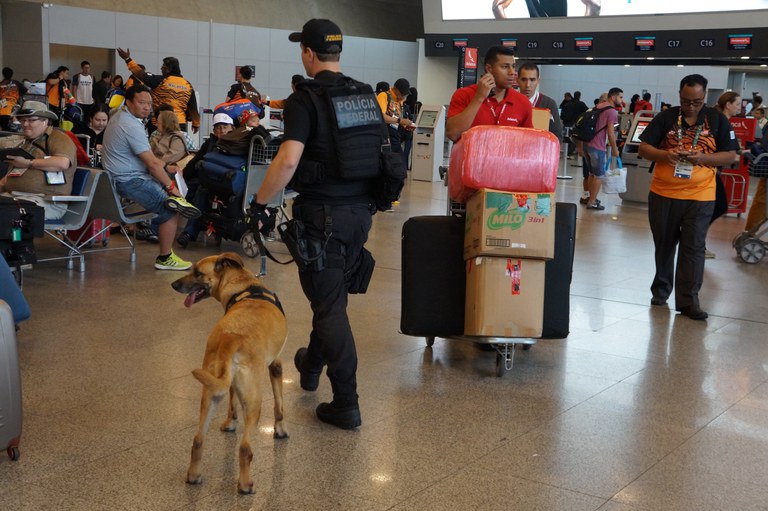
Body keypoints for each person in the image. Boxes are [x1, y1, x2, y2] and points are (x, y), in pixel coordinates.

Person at [249, 18, 381, 430]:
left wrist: (260, 204)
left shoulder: (304, 99)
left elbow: (288, 160)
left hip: (321, 218)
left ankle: (346, 401)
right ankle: (309, 364)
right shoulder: (364, 95)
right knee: (330, 299)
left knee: (329, 308)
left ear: (308, 53)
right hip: (360, 215)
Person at [638, 74, 738, 320]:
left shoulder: (717, 120)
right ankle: (661, 291)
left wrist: (703, 158)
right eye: (686, 101)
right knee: (664, 245)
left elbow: (730, 155)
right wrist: (665, 155)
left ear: (705, 97)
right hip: (664, 193)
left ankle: (688, 302)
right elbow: (643, 148)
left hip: (701, 195)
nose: (691, 106)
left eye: (696, 101)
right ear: (680, 95)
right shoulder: (667, 117)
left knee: (693, 248)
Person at [101, 84, 201, 271]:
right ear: (129, 102)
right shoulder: (130, 125)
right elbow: (152, 165)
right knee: (171, 208)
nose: (147, 107)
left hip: (119, 177)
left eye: (149, 103)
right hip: (130, 181)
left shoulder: (118, 117)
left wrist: (165, 166)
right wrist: (173, 190)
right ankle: (165, 257)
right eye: (142, 103)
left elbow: (152, 160)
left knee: (169, 186)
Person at [0, 101, 76, 220]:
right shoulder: (25, 142)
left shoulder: (58, 138)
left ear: (45, 121)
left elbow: (62, 163)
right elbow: (9, 177)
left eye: (31, 120)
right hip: (14, 197)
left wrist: (28, 163)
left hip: (46, 201)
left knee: (5, 214)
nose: (25, 124)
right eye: (23, 120)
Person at [446, 45, 533, 142]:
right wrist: (479, 98)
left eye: (513, 66)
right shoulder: (464, 94)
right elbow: (453, 134)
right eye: (505, 67)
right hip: (471, 156)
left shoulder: (523, 102)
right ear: (489, 69)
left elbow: (528, 143)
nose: (512, 72)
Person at [176, 113, 234, 248]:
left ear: (232, 128)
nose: (222, 131)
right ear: (214, 131)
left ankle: (189, 232)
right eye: (218, 128)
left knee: (201, 192)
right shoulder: (210, 143)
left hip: (226, 182)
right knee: (180, 192)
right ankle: (157, 228)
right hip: (207, 178)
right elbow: (195, 162)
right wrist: (181, 179)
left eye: (225, 127)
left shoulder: (238, 143)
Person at [117, 49, 201, 133]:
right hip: (180, 124)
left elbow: (141, 74)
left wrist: (128, 59)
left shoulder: (160, 81)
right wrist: (196, 124)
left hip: (160, 123)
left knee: (157, 145)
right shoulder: (187, 85)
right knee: (177, 145)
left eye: (163, 67)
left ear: (168, 69)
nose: (161, 68)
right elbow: (193, 107)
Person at [705, 91, 742, 259]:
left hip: (712, 170)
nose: (739, 108)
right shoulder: (719, 121)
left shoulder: (721, 120)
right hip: (709, 170)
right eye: (737, 104)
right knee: (719, 205)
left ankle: (698, 241)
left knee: (715, 206)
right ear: (728, 105)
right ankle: (696, 241)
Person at [577, 87, 622, 211]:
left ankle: (591, 198)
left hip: (587, 143)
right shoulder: (612, 111)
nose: (622, 100)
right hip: (598, 146)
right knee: (599, 176)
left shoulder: (598, 106)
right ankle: (592, 201)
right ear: (613, 97)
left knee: (592, 174)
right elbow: (611, 133)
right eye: (620, 97)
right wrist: (615, 148)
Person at [516, 62, 562, 142]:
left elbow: (557, 136)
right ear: (517, 80)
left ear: (538, 81)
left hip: (540, 151)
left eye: (532, 80)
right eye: (524, 79)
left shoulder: (549, 104)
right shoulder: (510, 101)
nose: (527, 85)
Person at [377, 78, 414, 152]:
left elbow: (398, 119)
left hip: (396, 138)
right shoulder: (384, 96)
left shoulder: (399, 102)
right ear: (395, 88)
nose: (403, 97)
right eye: (402, 94)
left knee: (400, 161)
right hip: (386, 138)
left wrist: (406, 125)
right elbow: (380, 116)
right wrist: (399, 120)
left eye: (405, 95)